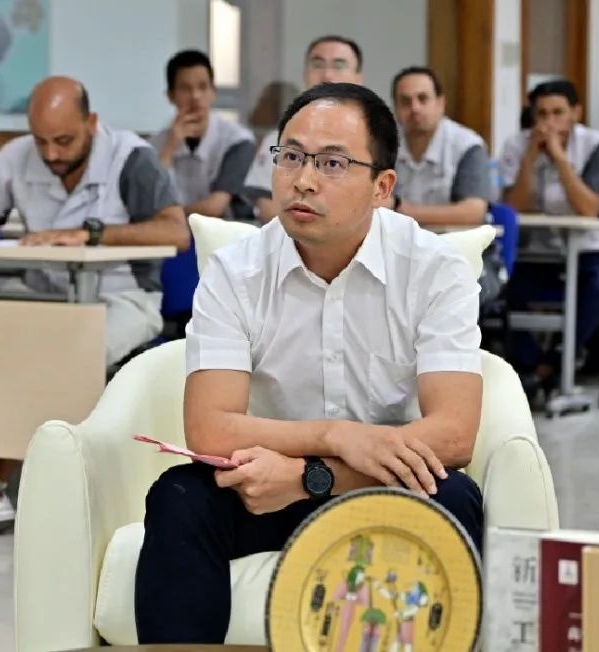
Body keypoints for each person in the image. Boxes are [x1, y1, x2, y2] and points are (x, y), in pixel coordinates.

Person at [134, 83, 484, 644]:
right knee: (181, 496)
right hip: (261, 483)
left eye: (332, 164)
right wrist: (335, 437)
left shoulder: (435, 269)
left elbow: (453, 434)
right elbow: (209, 427)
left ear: (382, 187)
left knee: (453, 497)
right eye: (291, 156)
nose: (303, 179)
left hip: (378, 481)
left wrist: (309, 478)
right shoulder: (234, 271)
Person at [0, 76, 188, 538]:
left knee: (55, 359)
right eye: (41, 141)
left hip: (121, 297)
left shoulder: (130, 157)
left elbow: (176, 232)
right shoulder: (18, 156)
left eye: (64, 140)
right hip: (42, 297)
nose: (51, 154)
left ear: (92, 122)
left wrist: (91, 234)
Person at [500, 79, 599, 393]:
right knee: (501, 288)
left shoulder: (596, 145)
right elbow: (513, 208)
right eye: (541, 114)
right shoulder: (516, 144)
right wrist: (530, 157)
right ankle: (530, 365)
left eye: (558, 113)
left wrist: (560, 158)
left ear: (576, 112)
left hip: (588, 248)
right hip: (534, 250)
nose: (549, 122)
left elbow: (589, 208)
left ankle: (552, 363)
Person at [243, 35, 364, 223]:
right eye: (318, 65)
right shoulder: (278, 139)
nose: (327, 75)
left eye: (339, 66)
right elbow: (266, 205)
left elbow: (382, 204)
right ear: (305, 74)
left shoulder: (373, 139)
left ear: (357, 78)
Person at [151, 50, 255, 219]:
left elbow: (215, 207)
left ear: (213, 92)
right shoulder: (155, 145)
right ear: (170, 96)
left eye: (202, 87)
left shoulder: (238, 141)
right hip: (173, 231)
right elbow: (149, 201)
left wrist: (167, 214)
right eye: (185, 88)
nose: (195, 96)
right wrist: (169, 150)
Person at [392, 66, 492, 226]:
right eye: (405, 101)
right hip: (398, 238)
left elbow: (473, 212)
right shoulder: (382, 142)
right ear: (395, 108)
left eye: (423, 99)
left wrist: (400, 210)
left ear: (441, 104)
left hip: (453, 239)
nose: (415, 108)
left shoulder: (467, 145)